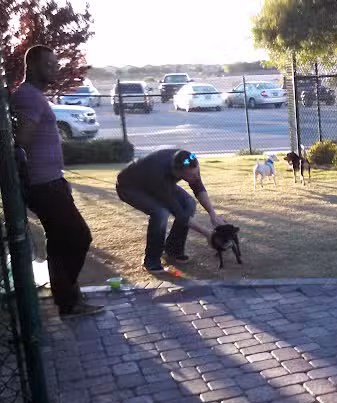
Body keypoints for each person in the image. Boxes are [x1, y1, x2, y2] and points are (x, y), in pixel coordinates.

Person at [10, 45, 103, 318]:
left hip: (51, 182)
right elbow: (22, 142)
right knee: (79, 236)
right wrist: (28, 176)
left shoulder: (34, 95)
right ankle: (67, 295)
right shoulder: (29, 96)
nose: (55, 68)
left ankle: (69, 302)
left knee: (60, 243)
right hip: (44, 185)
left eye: (56, 63)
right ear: (33, 66)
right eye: (49, 64)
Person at [116, 148, 225, 273]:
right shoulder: (159, 175)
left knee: (189, 203)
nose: (196, 177)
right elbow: (179, 214)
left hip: (153, 181)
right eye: (192, 175)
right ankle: (151, 260)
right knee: (160, 213)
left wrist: (213, 214)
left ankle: (173, 250)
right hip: (130, 187)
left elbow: (198, 187)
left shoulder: (187, 160)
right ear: (178, 173)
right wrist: (208, 234)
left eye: (197, 173)